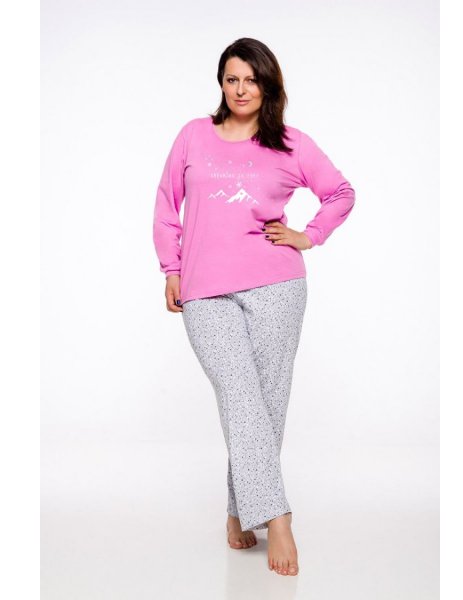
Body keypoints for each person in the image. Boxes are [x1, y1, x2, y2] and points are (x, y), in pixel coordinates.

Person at [152, 37, 356, 577]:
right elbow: (167, 204)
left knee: (264, 405)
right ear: (221, 83)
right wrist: (171, 268)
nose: (241, 89)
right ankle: (278, 516)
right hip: (206, 290)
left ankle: (240, 510)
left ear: (268, 85)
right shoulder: (193, 135)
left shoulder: (291, 144)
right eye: (232, 79)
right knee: (240, 394)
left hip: (276, 286)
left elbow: (340, 193)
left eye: (251, 79)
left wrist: (308, 235)